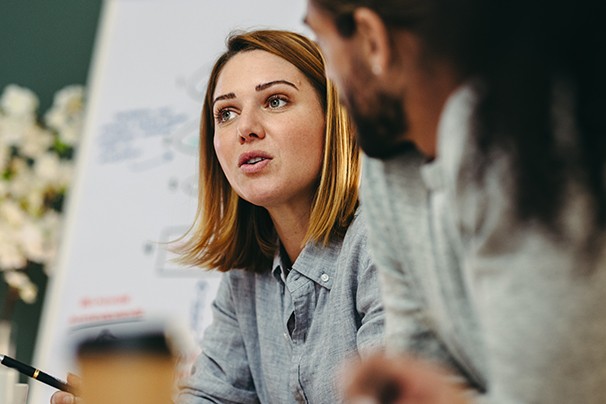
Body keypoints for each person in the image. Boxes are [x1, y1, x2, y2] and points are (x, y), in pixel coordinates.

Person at [51, 29, 384, 404]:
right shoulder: (247, 277)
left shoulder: (385, 244)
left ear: (334, 118)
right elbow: (213, 397)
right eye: (226, 113)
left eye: (275, 101)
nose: (246, 129)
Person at [304, 0, 606, 403]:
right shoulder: (387, 168)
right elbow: (421, 359)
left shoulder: (531, 151)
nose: (329, 77)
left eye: (321, 42)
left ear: (372, 40)